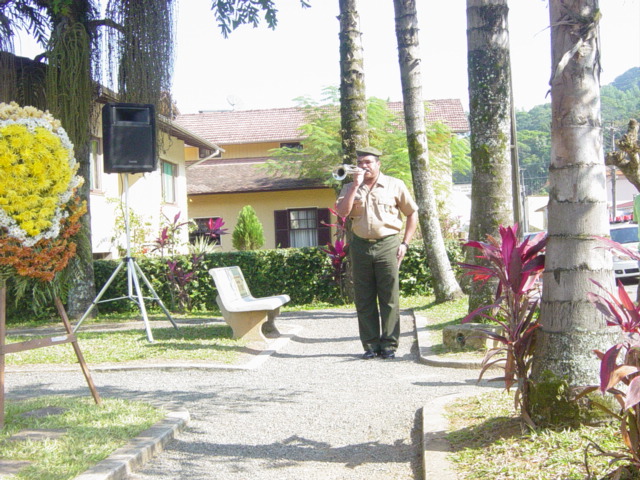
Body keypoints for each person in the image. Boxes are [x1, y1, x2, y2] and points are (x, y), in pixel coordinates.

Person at [335, 146, 418, 359]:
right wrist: (355, 185)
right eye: (360, 163)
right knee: (364, 297)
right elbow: (343, 213)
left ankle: (389, 345)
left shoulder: (394, 185)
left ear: (378, 164)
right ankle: (370, 346)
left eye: (368, 162)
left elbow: (412, 213)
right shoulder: (349, 187)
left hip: (388, 244)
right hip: (360, 246)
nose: (364, 167)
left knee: (389, 296)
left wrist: (405, 243)